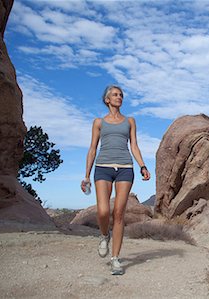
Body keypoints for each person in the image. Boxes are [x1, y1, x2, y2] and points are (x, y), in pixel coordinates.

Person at [81, 85, 150, 275]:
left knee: (119, 214)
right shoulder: (98, 122)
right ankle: (104, 235)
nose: (119, 97)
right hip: (102, 168)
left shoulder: (130, 121)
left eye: (121, 95)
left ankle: (115, 259)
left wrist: (142, 165)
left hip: (125, 169)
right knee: (103, 211)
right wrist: (86, 175)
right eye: (115, 95)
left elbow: (134, 145)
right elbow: (92, 149)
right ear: (107, 100)